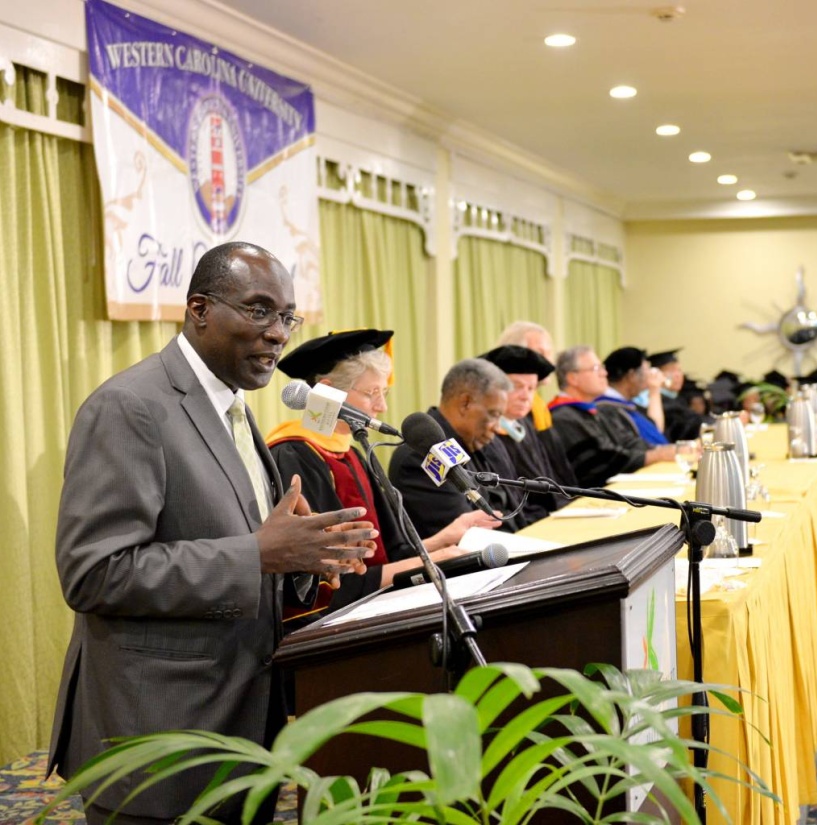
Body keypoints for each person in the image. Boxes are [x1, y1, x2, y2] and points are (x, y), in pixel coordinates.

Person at [49, 242, 379, 825]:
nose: (278, 333)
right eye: (258, 310)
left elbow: (244, 545)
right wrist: (256, 554)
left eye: (286, 317)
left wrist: (303, 558)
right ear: (199, 309)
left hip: (242, 725)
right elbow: (94, 572)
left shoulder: (234, 406)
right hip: (158, 737)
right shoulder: (131, 407)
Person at [268, 329, 497, 624]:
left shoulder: (354, 454)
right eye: (371, 393)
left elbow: (387, 554)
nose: (382, 407)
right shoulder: (295, 455)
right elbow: (332, 578)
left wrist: (444, 538)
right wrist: (433, 561)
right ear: (327, 391)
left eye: (383, 393)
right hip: (332, 622)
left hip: (378, 604)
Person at [389, 359, 528, 538]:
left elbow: (514, 508)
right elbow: (471, 536)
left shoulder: (484, 442)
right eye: (493, 414)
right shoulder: (420, 455)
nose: (496, 426)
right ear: (465, 403)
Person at [549, 346, 676, 488]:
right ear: (573, 378)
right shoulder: (563, 418)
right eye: (596, 369)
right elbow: (600, 463)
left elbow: (629, 442)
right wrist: (656, 456)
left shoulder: (596, 411)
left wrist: (667, 450)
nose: (604, 373)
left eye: (602, 368)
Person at [481, 344, 571, 521]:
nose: (526, 396)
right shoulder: (484, 435)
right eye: (516, 387)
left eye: (531, 388)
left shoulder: (524, 426)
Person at [599, 346, 670, 444]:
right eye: (646, 371)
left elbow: (654, 429)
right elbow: (652, 439)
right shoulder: (608, 409)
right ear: (631, 376)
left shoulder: (624, 404)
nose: (648, 377)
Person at [650, 348, 708, 440]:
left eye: (679, 370)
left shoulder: (678, 397)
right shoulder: (657, 401)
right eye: (671, 371)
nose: (678, 375)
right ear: (657, 374)